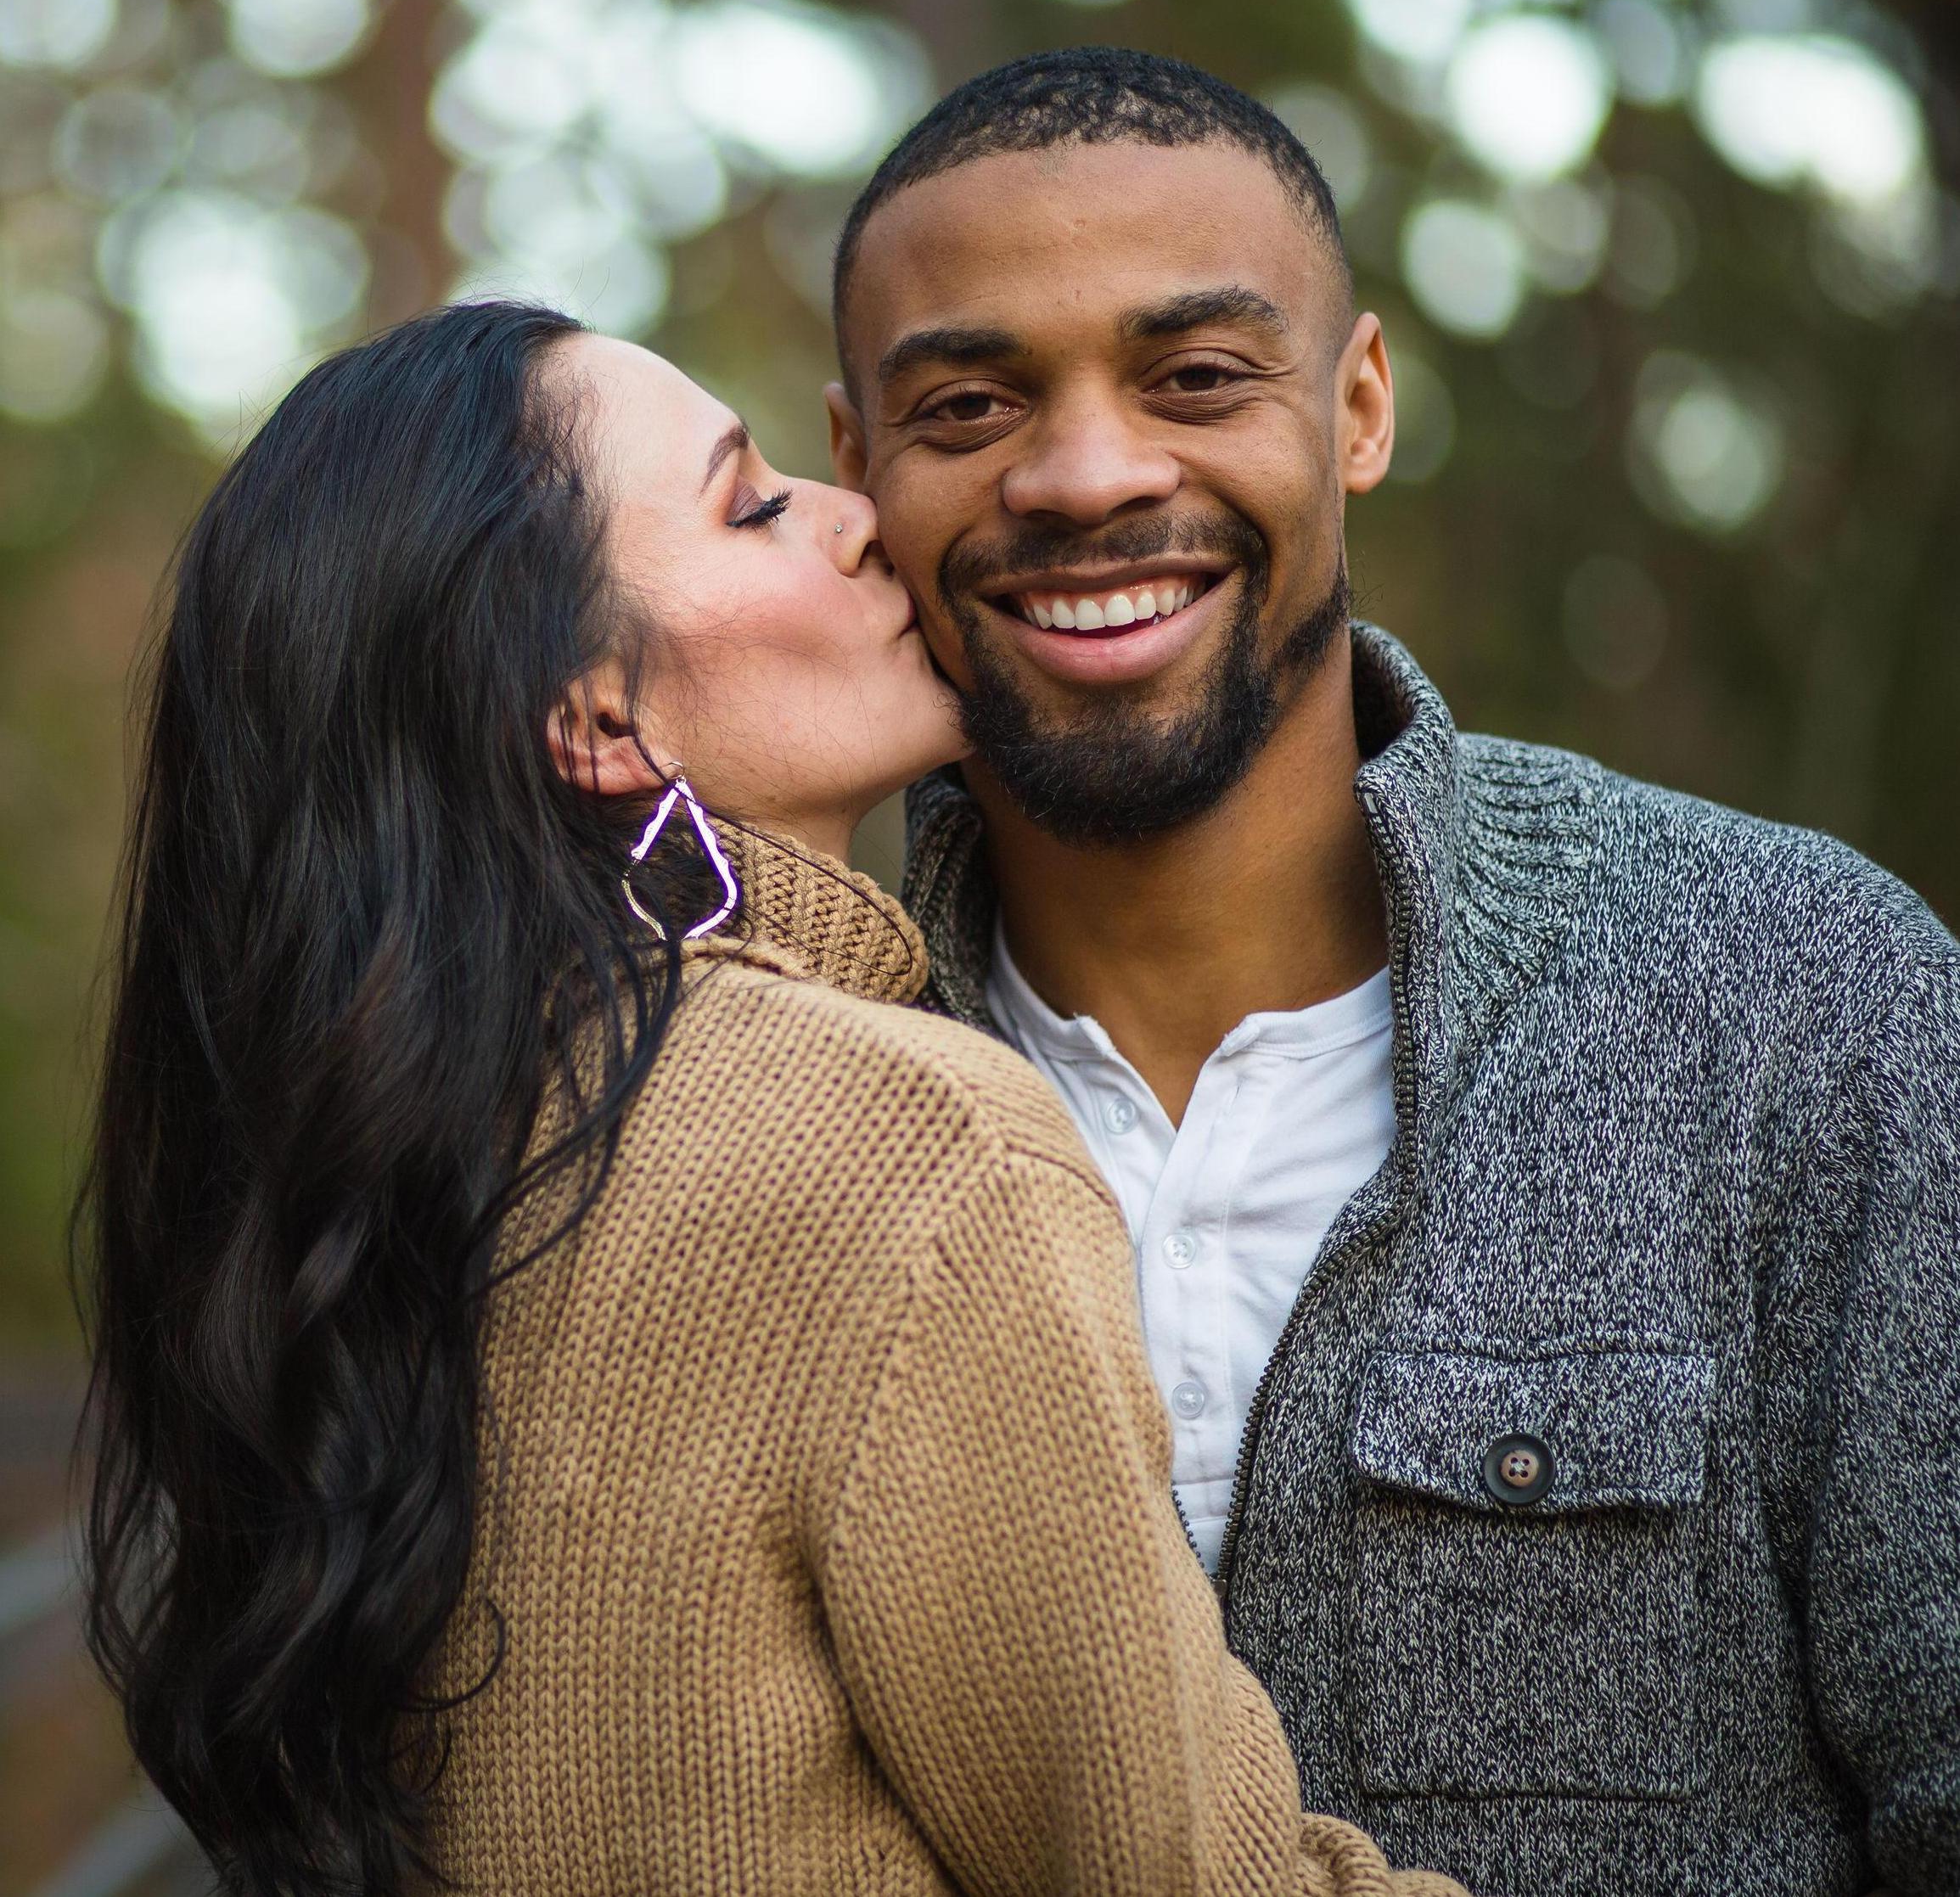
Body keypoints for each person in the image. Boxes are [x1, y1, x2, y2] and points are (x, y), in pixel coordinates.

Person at [79, 301, 1466, 1897]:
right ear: (593, 715)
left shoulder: (387, 1159)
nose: (860, 514)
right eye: (751, 502)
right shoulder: (907, 1144)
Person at [824, 48, 1960, 1897]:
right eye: (967, 404)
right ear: (858, 463)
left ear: (1357, 408)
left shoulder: (1808, 1001)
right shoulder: (766, 1099)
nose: (1088, 472)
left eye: (1197, 377)